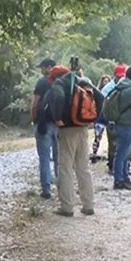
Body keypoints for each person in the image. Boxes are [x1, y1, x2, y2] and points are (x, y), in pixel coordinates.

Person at [47, 64, 104, 217]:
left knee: (65, 168)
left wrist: (58, 118)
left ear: (56, 77)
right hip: (83, 128)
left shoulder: (60, 83)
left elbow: (58, 96)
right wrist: (94, 119)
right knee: (83, 167)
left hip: (67, 130)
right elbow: (101, 97)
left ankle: (67, 207)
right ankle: (88, 205)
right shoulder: (84, 82)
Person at [31, 58, 58, 199]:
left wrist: (35, 120)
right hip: (60, 125)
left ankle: (46, 189)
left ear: (49, 67)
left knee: (44, 158)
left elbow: (35, 104)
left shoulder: (42, 82)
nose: (41, 70)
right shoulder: (62, 81)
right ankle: (63, 186)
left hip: (44, 124)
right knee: (60, 158)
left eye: (42, 67)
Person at [102, 64, 128, 174]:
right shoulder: (108, 88)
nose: (120, 78)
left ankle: (123, 168)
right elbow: (102, 102)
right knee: (112, 144)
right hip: (112, 120)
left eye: (123, 76)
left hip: (123, 120)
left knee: (124, 145)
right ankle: (111, 166)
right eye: (119, 76)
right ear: (114, 75)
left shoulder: (128, 86)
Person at [91, 75, 112, 162]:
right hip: (100, 117)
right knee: (97, 137)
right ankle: (94, 153)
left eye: (108, 81)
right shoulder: (97, 92)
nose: (106, 83)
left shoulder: (112, 91)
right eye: (104, 81)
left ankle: (110, 156)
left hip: (109, 116)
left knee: (110, 138)